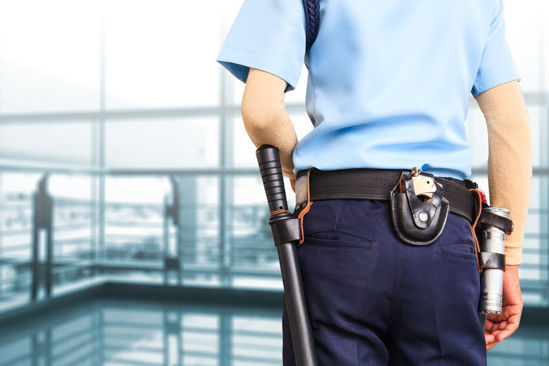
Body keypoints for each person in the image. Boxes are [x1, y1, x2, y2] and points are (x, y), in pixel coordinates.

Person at [217, 0, 532, 364]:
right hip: (447, 234)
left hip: (339, 227)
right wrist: (508, 259)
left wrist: (300, 178)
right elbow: (510, 125)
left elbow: (261, 111)